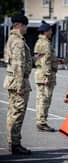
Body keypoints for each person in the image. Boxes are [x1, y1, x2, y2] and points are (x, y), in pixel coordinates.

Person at [3, 12, 32, 155]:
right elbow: (18, 65)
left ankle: (11, 142)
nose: (26, 28)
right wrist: (20, 85)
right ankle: (15, 144)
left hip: (11, 81)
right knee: (17, 114)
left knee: (12, 113)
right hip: (18, 82)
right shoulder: (19, 42)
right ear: (20, 25)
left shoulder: (11, 39)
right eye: (25, 26)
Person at [34, 20, 58, 132]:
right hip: (45, 75)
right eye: (50, 30)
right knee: (45, 99)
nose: (52, 32)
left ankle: (40, 121)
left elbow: (40, 58)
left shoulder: (39, 42)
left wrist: (57, 61)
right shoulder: (46, 43)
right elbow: (46, 61)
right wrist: (48, 76)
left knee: (40, 98)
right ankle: (42, 122)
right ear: (46, 31)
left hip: (40, 73)